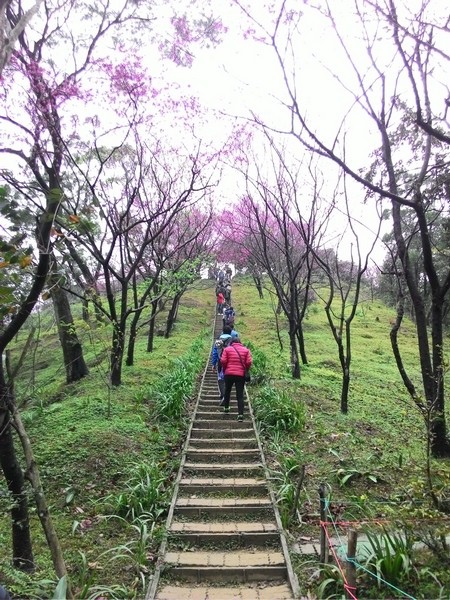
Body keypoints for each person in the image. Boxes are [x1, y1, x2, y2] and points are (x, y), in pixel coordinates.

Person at [220, 335, 252, 421]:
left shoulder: (227, 349)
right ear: (240, 342)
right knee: (240, 395)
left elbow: (223, 360)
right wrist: (246, 369)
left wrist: (225, 368)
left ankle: (226, 408)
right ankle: (240, 415)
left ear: (232, 343)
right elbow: (249, 361)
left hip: (228, 373)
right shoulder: (246, 350)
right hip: (240, 375)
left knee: (227, 391)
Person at [211, 332, 232, 404]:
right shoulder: (232, 340)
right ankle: (226, 395)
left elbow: (215, 353)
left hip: (220, 362)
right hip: (229, 363)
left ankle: (223, 395)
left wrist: (213, 364)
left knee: (220, 379)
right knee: (228, 379)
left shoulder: (218, 341)